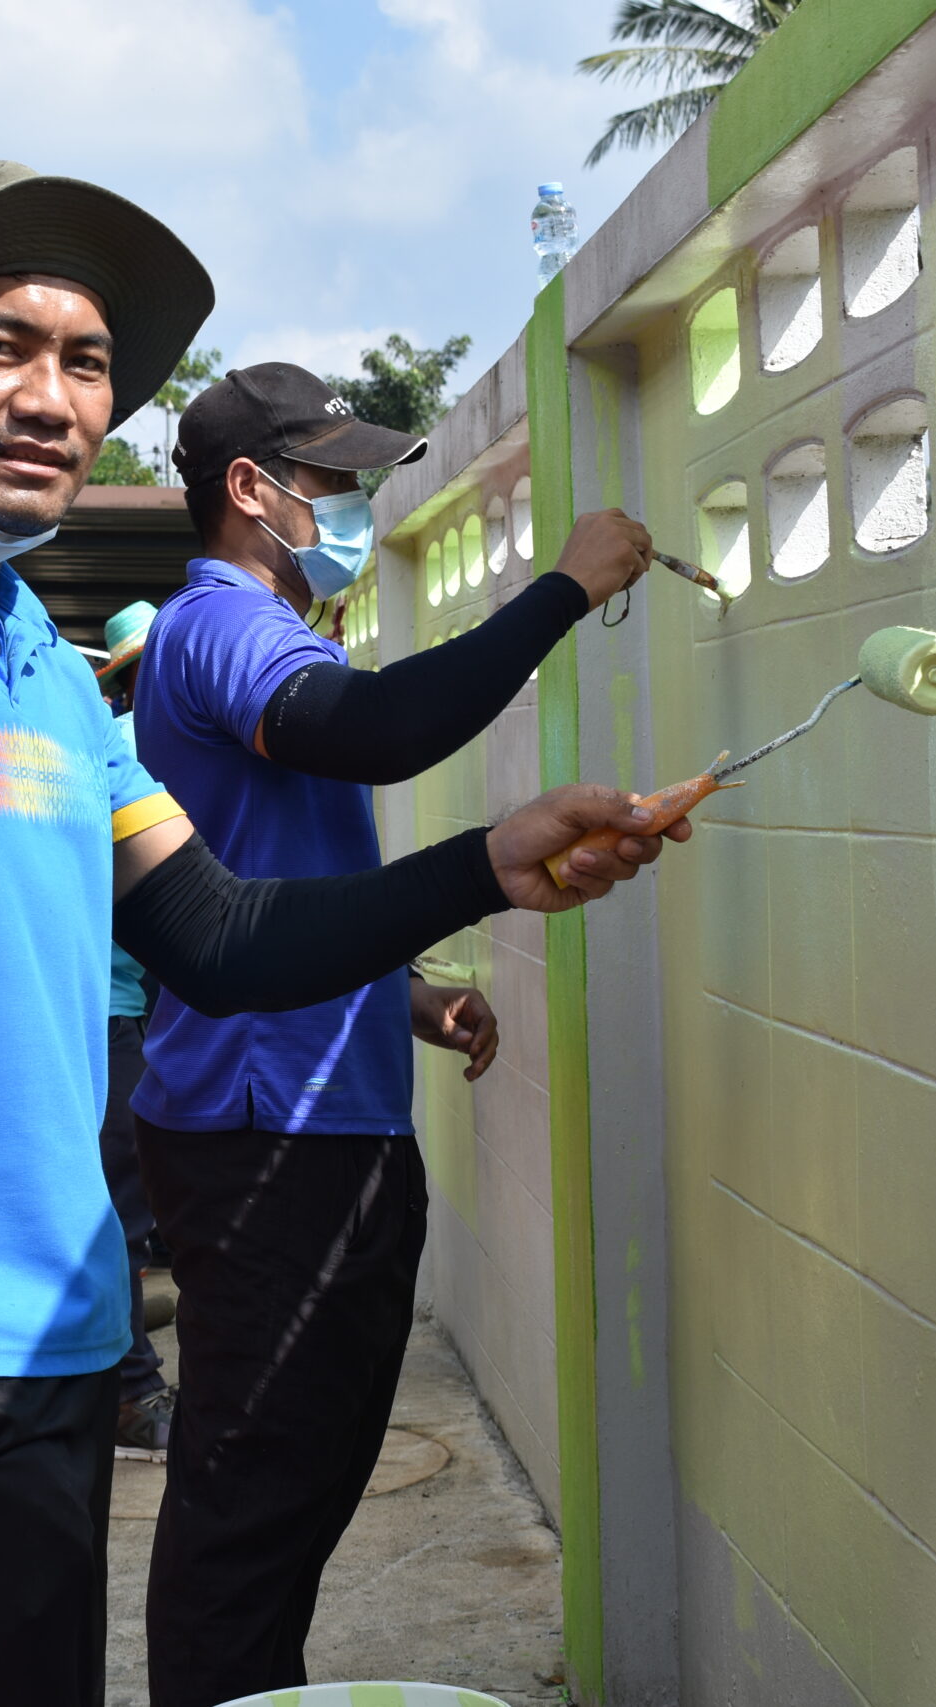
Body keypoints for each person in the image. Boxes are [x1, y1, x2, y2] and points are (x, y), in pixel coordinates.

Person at [0, 160, 685, 1707]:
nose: (54, 399)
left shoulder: (39, 661)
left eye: (86, 362)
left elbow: (222, 934)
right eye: (1, 346)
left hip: (65, 1327)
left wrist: (489, 864)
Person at [129, 362, 653, 1707]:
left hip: (318, 1115)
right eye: (334, 481)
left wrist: (398, 994)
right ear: (250, 489)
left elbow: (270, 878)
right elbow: (376, 733)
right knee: (251, 1512)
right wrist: (565, 586)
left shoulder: (262, 627)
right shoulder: (222, 623)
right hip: (267, 1136)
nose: (355, 506)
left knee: (292, 1497)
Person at [95, 600, 172, 1460]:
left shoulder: (126, 742)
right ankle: (131, 1393)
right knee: (120, 1205)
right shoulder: (130, 750)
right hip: (118, 1003)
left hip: (140, 1004)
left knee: (132, 1200)